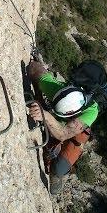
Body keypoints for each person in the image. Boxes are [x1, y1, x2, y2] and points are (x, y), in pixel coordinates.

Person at [26, 56, 101, 195]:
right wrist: (39, 95)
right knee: (52, 141)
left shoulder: (90, 111)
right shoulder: (57, 90)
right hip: (58, 120)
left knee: (59, 168)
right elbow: (34, 69)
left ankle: (57, 176)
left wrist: (45, 115)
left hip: (75, 130)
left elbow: (63, 133)